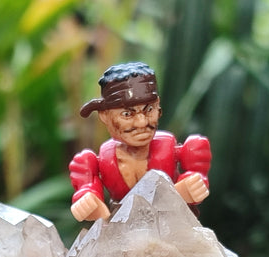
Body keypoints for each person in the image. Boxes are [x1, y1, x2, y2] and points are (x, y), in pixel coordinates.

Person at [69, 62, 211, 221]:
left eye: (149, 110)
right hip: (123, 226)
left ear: (158, 106)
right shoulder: (96, 161)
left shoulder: (177, 149)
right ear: (105, 115)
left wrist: (191, 186)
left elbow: (195, 183)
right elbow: (90, 195)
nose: (142, 122)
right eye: (127, 114)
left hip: (169, 222)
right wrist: (88, 201)